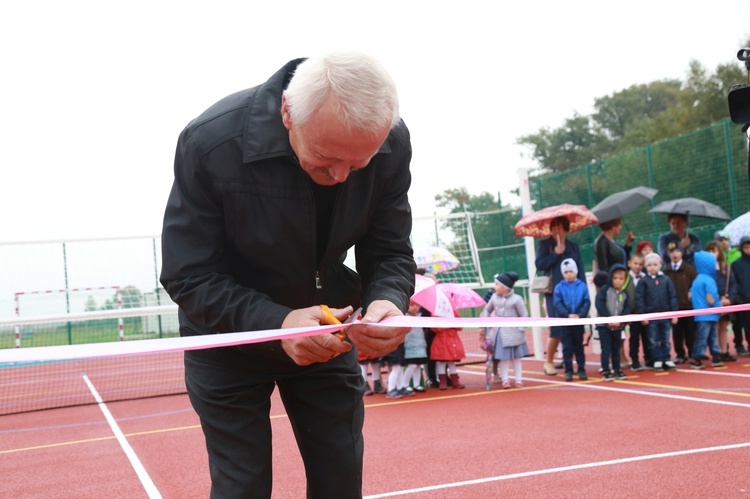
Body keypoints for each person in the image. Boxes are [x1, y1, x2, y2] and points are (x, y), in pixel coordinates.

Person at [159, 52, 415, 498]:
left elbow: (389, 248)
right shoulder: (209, 143)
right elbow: (188, 273)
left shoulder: (390, 142)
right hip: (227, 336)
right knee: (243, 486)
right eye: (324, 157)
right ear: (287, 113)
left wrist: (388, 299)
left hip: (330, 329)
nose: (339, 177)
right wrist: (276, 321)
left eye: (359, 165)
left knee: (339, 478)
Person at [535, 216, 586, 376]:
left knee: (575, 327)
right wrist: (555, 254)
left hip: (573, 292)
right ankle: (548, 361)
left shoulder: (573, 246)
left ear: (566, 229)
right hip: (554, 292)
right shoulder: (545, 245)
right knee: (557, 328)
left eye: (560, 228)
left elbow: (580, 267)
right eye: (554, 228)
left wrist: (583, 288)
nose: (557, 231)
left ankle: (569, 360)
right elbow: (540, 264)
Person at [481, 271, 529, 389]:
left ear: (505, 287)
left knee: (517, 358)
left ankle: (518, 380)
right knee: (503, 358)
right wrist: (486, 320)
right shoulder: (494, 297)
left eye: (497, 284)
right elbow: (487, 310)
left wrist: (520, 329)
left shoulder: (517, 299)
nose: (495, 287)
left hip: (515, 334)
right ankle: (505, 380)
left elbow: (524, 315)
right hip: (500, 334)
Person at [635, 253, 679, 371]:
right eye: (649, 265)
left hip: (665, 316)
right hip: (651, 317)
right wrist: (643, 315)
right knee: (653, 340)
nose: (652, 267)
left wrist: (674, 313)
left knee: (665, 339)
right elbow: (640, 299)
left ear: (660, 265)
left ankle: (667, 358)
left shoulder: (666, 279)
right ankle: (657, 359)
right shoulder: (643, 281)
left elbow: (672, 296)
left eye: (655, 264)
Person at [553, 258, 591, 382]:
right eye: (566, 272)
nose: (568, 274)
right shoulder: (559, 287)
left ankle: (581, 369)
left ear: (576, 271)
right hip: (565, 323)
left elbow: (586, 301)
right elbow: (557, 303)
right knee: (567, 348)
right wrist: (567, 315)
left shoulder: (582, 286)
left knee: (578, 346)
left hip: (578, 322)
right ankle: (568, 370)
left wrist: (580, 315)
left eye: (571, 271)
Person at [688, 251, 725, 369]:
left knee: (702, 337)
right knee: (710, 337)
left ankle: (708, 355)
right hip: (710, 314)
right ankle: (702, 357)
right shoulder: (709, 280)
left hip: (700, 314)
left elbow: (689, 295)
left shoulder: (697, 279)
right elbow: (711, 298)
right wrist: (720, 307)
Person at [595, 264, 630, 381]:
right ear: (611, 278)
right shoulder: (605, 291)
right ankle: (605, 370)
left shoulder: (624, 294)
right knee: (606, 349)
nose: (618, 281)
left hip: (618, 327)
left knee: (616, 349)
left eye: (621, 279)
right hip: (604, 326)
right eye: (615, 278)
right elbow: (599, 305)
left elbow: (627, 308)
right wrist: (608, 319)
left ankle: (617, 369)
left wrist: (621, 321)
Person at [663, 246, 697, 363]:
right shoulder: (666, 271)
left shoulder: (689, 269)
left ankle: (692, 353)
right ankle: (680, 354)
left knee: (690, 332)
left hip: (688, 307)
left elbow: (695, 285)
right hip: (674, 309)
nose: (675, 254)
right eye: (671, 251)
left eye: (677, 251)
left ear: (682, 252)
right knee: (677, 333)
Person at [704, 240, 737, 362]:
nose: (712, 254)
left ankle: (724, 351)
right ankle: (716, 352)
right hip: (712, 303)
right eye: (709, 251)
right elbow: (707, 287)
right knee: (714, 328)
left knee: (723, 327)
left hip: (725, 303)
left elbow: (733, 285)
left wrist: (729, 299)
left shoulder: (726, 268)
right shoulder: (706, 269)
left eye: (714, 251)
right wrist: (717, 300)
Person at [624, 252, 651, 371]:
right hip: (633, 314)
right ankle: (634, 360)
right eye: (635, 263)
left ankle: (649, 358)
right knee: (634, 338)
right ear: (629, 263)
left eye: (640, 264)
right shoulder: (625, 278)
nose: (638, 266)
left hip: (645, 313)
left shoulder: (646, 277)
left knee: (647, 337)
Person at [429, 317, 467, 390]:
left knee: (452, 362)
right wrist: (444, 326)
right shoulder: (436, 314)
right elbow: (433, 327)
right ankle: (442, 381)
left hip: (452, 340)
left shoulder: (453, 313)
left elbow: (460, 325)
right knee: (441, 362)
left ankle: (455, 380)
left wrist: (452, 324)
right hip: (441, 341)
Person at [730, 236, 750, 356]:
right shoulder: (736, 264)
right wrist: (739, 297)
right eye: (746, 247)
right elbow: (735, 282)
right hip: (744, 300)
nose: (748, 250)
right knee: (746, 325)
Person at [403, 300, 428, 392]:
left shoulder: (420, 317)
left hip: (420, 345)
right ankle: (405, 384)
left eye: (417, 305)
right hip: (409, 346)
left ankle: (417, 384)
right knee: (412, 365)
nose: (415, 307)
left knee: (418, 365)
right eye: (412, 305)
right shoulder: (404, 317)